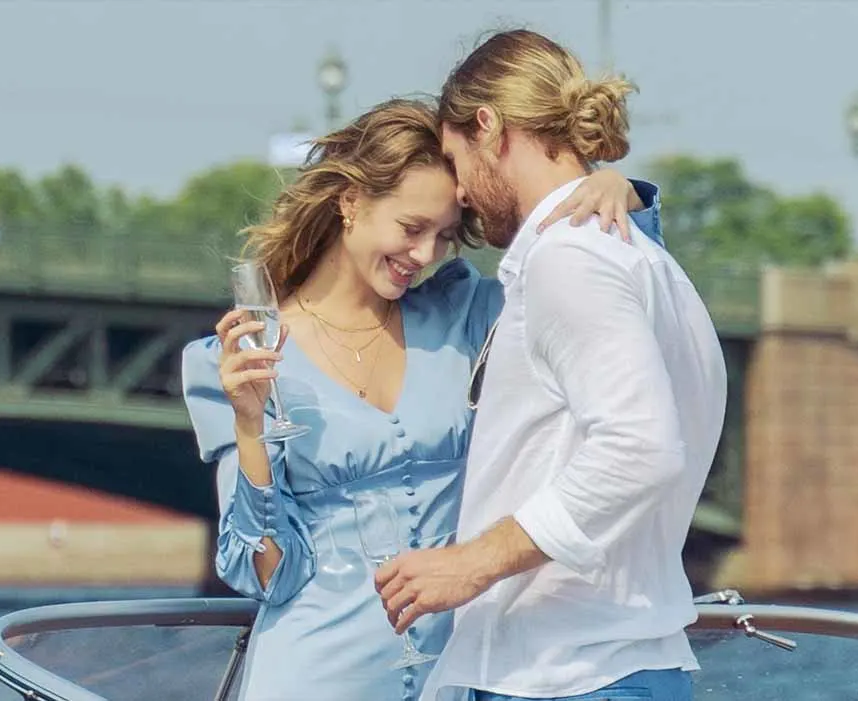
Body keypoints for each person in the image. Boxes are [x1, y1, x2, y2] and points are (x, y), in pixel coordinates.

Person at [182, 98, 664, 701]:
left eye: (444, 236)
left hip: (455, 678)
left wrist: (620, 192)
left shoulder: (467, 317)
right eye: (412, 229)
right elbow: (266, 574)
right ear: (351, 202)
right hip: (313, 677)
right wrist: (251, 425)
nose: (426, 255)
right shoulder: (238, 358)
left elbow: (604, 308)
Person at [375, 30, 728, 701]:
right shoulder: (650, 264)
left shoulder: (569, 260)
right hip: (616, 665)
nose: (461, 192)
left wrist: (473, 562)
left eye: (455, 159)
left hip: (566, 675)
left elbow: (641, 448)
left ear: (489, 128)